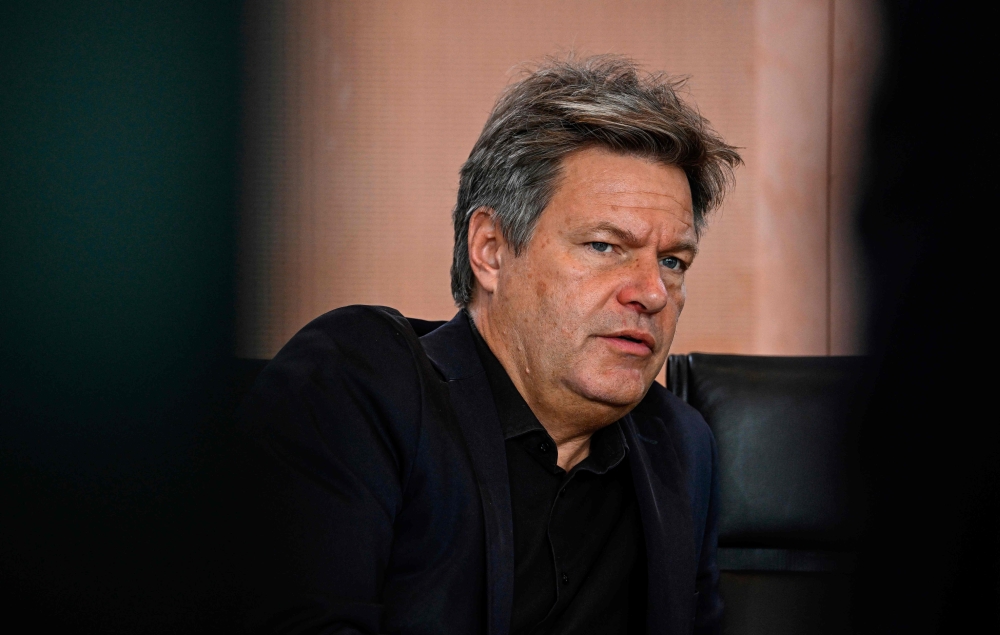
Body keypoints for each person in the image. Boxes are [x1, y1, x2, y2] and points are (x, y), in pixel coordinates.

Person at [239, 55, 741, 635]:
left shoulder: (680, 445)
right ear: (491, 251)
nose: (651, 292)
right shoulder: (359, 383)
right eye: (604, 246)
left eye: (673, 261)